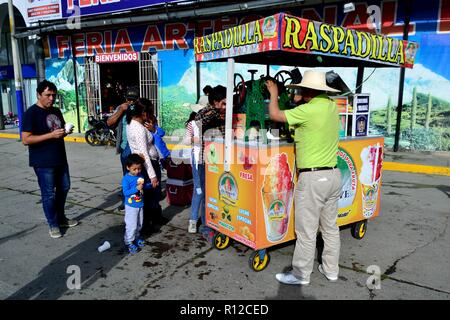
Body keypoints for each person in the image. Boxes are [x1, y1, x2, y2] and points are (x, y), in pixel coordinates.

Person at [266, 70, 342, 286]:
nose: (297, 91)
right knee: (330, 228)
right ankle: (331, 270)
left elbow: (275, 115)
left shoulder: (307, 110)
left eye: (300, 88)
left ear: (308, 90)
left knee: (307, 231)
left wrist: (273, 93)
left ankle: (301, 275)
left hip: (313, 179)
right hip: (333, 176)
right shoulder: (331, 107)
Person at [21, 80, 78, 239]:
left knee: (65, 187)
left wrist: (65, 131)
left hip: (60, 157)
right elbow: (26, 139)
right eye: (48, 95)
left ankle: (61, 218)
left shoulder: (56, 111)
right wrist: (51, 135)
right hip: (43, 162)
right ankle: (53, 224)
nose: (51, 98)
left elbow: (58, 130)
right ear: (39, 95)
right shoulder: (31, 113)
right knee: (48, 194)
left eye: (54, 95)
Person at [194, 85, 227, 241]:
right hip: (204, 162)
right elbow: (199, 120)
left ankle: (220, 223)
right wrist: (216, 110)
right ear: (215, 102)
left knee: (220, 194)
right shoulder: (206, 112)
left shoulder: (224, 113)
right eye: (225, 103)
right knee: (208, 195)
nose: (227, 106)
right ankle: (206, 228)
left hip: (220, 161)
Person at [126, 99, 162, 234]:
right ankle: (146, 225)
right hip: (148, 165)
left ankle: (153, 220)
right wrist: (152, 176)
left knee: (149, 196)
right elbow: (144, 154)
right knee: (149, 196)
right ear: (144, 113)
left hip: (146, 164)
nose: (151, 114)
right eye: (150, 111)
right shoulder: (139, 129)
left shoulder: (131, 124)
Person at [106, 87, 139, 212]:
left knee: (139, 176)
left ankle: (136, 201)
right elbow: (109, 122)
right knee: (127, 176)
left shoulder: (140, 108)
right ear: (125, 99)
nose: (130, 102)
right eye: (129, 100)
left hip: (137, 147)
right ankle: (127, 202)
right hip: (125, 147)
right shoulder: (121, 108)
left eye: (133, 100)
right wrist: (121, 110)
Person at [122, 153, 153, 254]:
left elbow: (143, 187)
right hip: (131, 206)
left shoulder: (140, 175)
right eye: (134, 169)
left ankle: (136, 237)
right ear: (128, 167)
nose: (137, 171)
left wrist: (150, 185)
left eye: (139, 169)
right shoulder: (126, 179)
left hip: (140, 204)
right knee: (131, 225)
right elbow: (125, 193)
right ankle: (128, 242)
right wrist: (136, 189)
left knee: (139, 223)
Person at [183, 111, 201, 233]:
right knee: (199, 190)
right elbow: (186, 141)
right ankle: (193, 221)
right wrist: (198, 139)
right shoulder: (192, 124)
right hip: (197, 160)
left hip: (214, 159)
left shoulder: (213, 121)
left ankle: (209, 220)